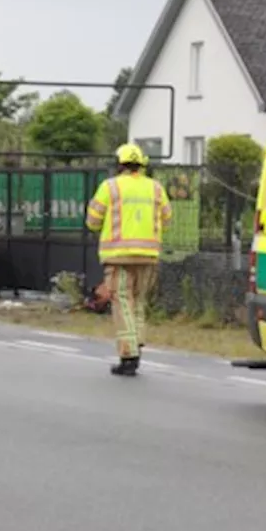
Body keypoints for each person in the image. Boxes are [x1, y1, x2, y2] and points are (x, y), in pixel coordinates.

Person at [84, 143, 172, 377]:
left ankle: (128, 355)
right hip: (149, 256)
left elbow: (92, 220)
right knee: (139, 301)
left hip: (118, 256)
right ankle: (137, 344)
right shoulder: (156, 188)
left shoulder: (109, 187)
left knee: (122, 301)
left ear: (119, 164)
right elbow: (167, 218)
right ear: (142, 165)